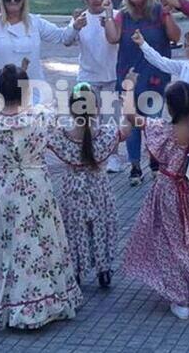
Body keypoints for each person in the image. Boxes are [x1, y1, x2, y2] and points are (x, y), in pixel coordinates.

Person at [0, 64, 83, 331]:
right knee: (41, 240)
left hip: (2, 186)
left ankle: (5, 302)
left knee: (6, 242)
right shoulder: (42, 116)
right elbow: (67, 139)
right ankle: (44, 300)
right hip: (34, 184)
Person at [121, 80, 189, 320]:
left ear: (169, 105)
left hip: (169, 192)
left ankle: (181, 297)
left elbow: (129, 114)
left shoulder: (162, 130)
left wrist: (128, 87)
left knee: (172, 245)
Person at [47, 78, 136, 288]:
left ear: (71, 109)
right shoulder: (106, 133)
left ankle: (76, 272)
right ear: (96, 108)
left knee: (75, 229)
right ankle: (103, 270)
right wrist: (129, 93)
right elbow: (127, 126)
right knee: (101, 227)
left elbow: (45, 132)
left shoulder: (61, 136)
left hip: (72, 190)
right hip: (99, 187)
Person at [104, 0, 181, 186]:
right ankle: (135, 166)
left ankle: (155, 162)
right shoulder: (122, 15)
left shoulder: (159, 12)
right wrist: (108, 14)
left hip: (154, 78)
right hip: (128, 77)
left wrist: (169, 15)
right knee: (131, 121)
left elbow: (176, 37)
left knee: (152, 122)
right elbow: (112, 38)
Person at [65, 0, 122, 172]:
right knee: (86, 118)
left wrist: (109, 19)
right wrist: (75, 26)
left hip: (111, 75)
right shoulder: (81, 18)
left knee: (110, 119)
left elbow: (118, 38)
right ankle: (87, 153)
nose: (97, 0)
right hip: (88, 76)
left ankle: (112, 156)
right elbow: (66, 40)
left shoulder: (114, 16)